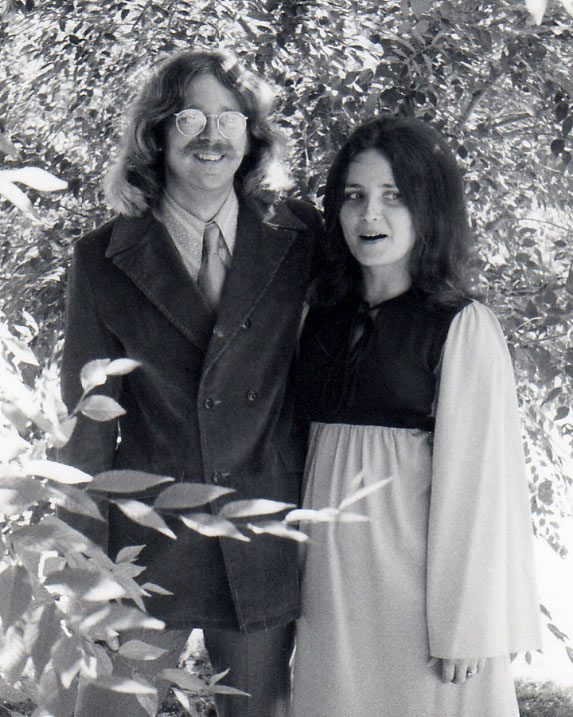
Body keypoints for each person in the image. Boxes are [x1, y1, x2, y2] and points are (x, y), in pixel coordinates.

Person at [60, 49, 321, 717]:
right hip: (148, 545)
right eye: (190, 116)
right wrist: (85, 561)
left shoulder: (300, 240)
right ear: (155, 133)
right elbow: (89, 422)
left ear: (250, 133)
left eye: (230, 116)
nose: (213, 134)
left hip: (264, 534)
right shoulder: (102, 258)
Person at [291, 116, 541, 716]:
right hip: (329, 598)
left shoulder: (461, 326)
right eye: (353, 196)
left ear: (428, 208)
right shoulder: (316, 318)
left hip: (423, 608)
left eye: (393, 197)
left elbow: (483, 490)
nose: (369, 215)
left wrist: (470, 624)